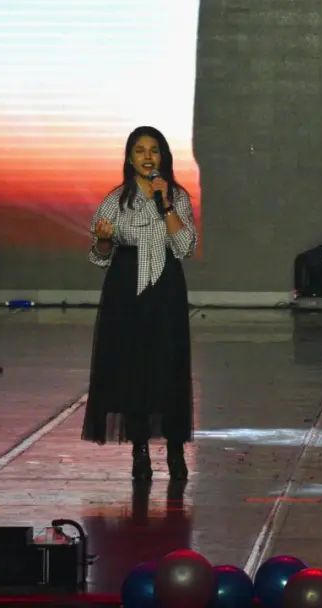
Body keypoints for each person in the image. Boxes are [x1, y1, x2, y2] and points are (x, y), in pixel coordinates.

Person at [82, 126, 197, 482]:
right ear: (130, 159)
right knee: (133, 368)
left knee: (168, 365)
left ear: (163, 157)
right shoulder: (116, 200)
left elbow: (185, 247)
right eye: (140, 151)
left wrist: (166, 205)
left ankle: (175, 449)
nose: (148, 157)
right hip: (125, 289)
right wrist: (104, 240)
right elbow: (100, 254)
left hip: (166, 289)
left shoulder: (177, 196)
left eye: (154, 150)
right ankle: (140, 450)